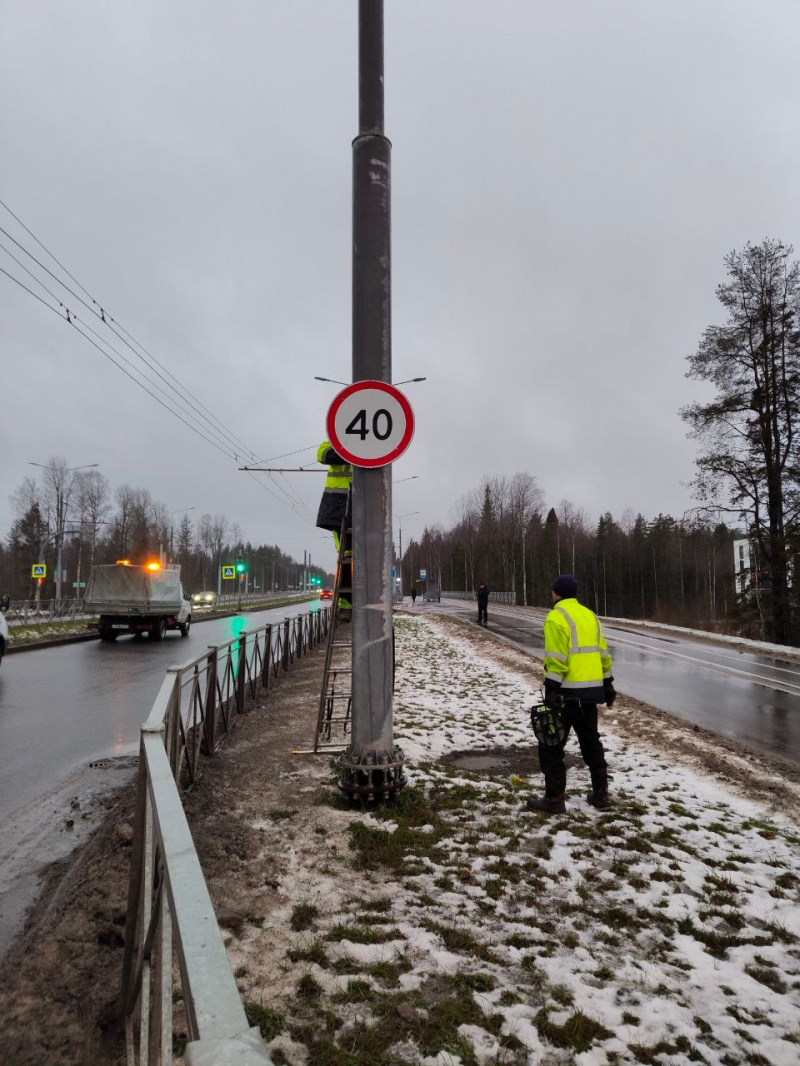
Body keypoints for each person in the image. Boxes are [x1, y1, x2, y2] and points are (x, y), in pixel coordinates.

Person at [526, 574, 615, 814]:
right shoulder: (590, 616)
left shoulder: (556, 617)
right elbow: (603, 653)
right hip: (591, 693)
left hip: (565, 694)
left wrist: (551, 690)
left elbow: (557, 659)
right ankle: (601, 794)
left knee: (551, 745)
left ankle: (554, 799)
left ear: (556, 593)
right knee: (591, 741)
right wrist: (608, 683)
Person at [316, 440, 352, 613]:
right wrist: (352, 450)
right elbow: (322, 455)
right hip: (338, 510)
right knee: (346, 554)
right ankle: (346, 604)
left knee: (366, 554)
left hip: (364, 507)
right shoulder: (333, 442)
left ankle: (362, 600)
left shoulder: (371, 446)